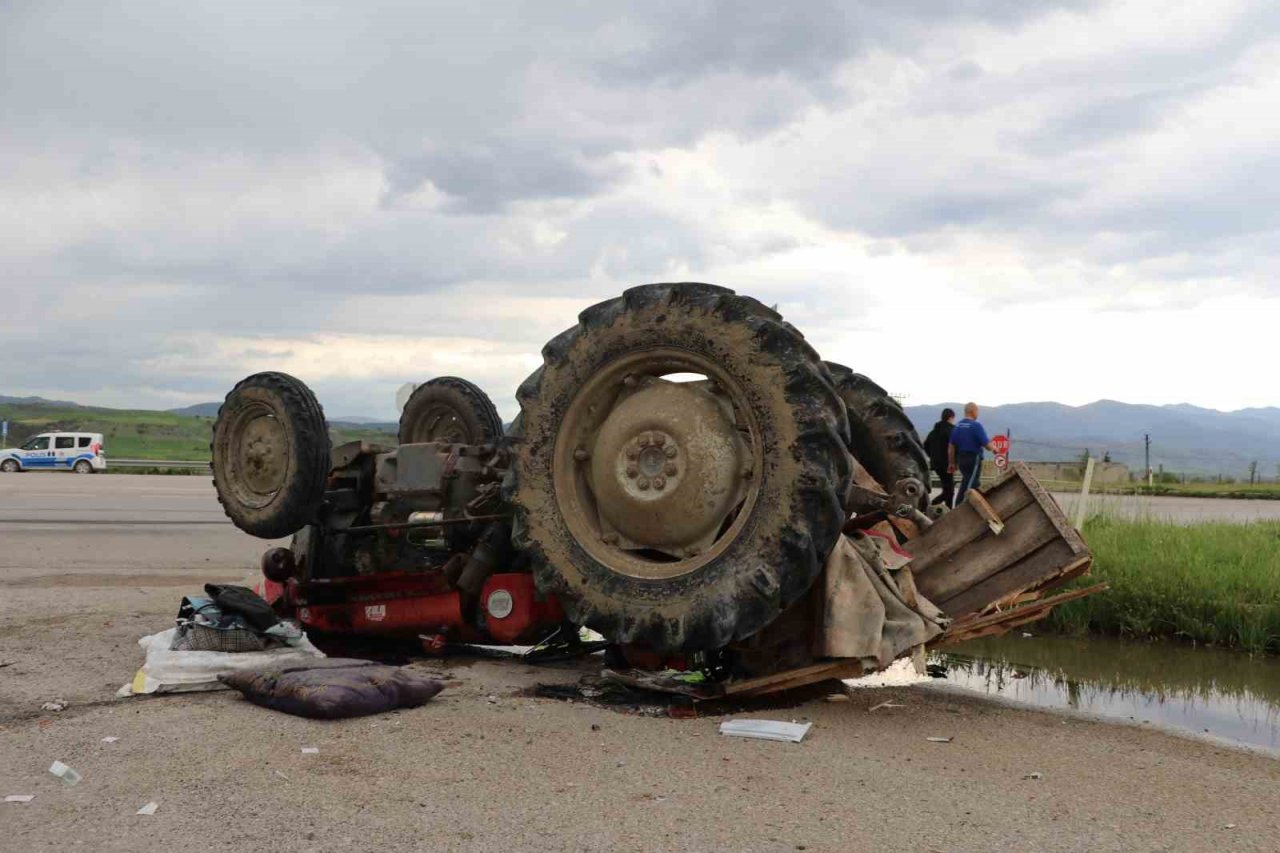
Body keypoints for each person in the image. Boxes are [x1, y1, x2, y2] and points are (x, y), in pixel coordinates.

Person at [949, 402, 995, 505]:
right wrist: (994, 449)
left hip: (961, 458)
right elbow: (987, 445)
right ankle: (959, 507)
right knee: (972, 484)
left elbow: (951, 447)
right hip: (973, 458)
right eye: (977, 411)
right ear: (973, 411)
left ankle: (971, 505)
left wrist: (951, 463)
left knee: (967, 481)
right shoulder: (976, 426)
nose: (977, 414)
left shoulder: (957, 426)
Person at [923, 408, 957, 508]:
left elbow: (925, 445)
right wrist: (955, 461)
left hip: (936, 464)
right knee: (949, 491)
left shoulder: (933, 432)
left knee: (947, 489)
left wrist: (932, 456)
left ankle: (935, 505)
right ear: (951, 417)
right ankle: (937, 506)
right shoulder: (951, 430)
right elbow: (955, 446)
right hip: (947, 463)